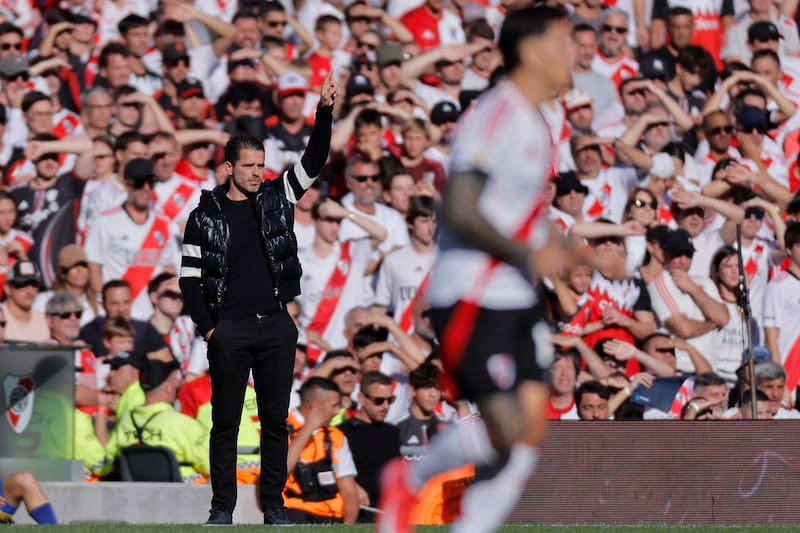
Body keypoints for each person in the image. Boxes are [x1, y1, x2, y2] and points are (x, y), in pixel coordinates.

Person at [379, 7, 576, 533]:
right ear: (533, 52)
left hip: (517, 294)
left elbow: (522, 215)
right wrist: (527, 253)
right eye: (564, 42)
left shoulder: (540, 118)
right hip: (473, 291)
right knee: (504, 426)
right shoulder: (496, 114)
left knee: (530, 429)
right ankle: (409, 480)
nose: (574, 52)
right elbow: (461, 207)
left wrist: (581, 253)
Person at [179, 73, 338, 526]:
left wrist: (323, 111)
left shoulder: (278, 195)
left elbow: (316, 158)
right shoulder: (202, 215)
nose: (257, 173)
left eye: (261, 165)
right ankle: (221, 509)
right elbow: (189, 280)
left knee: (274, 421)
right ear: (229, 167)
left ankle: (273, 507)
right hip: (228, 329)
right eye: (249, 166)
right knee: (225, 423)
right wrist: (211, 328)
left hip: (275, 326)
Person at [106, 358, 211, 483]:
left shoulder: (125, 420)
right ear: (168, 388)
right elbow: (210, 463)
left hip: (137, 492)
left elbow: (109, 458)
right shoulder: (183, 423)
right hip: (182, 493)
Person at [284, 377, 360, 524]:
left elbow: (350, 492)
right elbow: (280, 470)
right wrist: (308, 429)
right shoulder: (279, 430)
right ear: (315, 407)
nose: (338, 411)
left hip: (333, 515)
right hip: (294, 512)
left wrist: (348, 527)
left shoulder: (336, 436)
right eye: (334, 406)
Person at [338, 371, 401, 521]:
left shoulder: (392, 432)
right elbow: (332, 470)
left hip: (388, 509)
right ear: (361, 398)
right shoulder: (343, 432)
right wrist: (353, 488)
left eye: (389, 400)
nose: (385, 406)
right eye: (379, 400)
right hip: (358, 508)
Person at [2, 260, 48, 342]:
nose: (30, 291)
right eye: (22, 284)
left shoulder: (44, 320)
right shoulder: (1, 316)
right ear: (7, 288)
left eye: (34, 284)